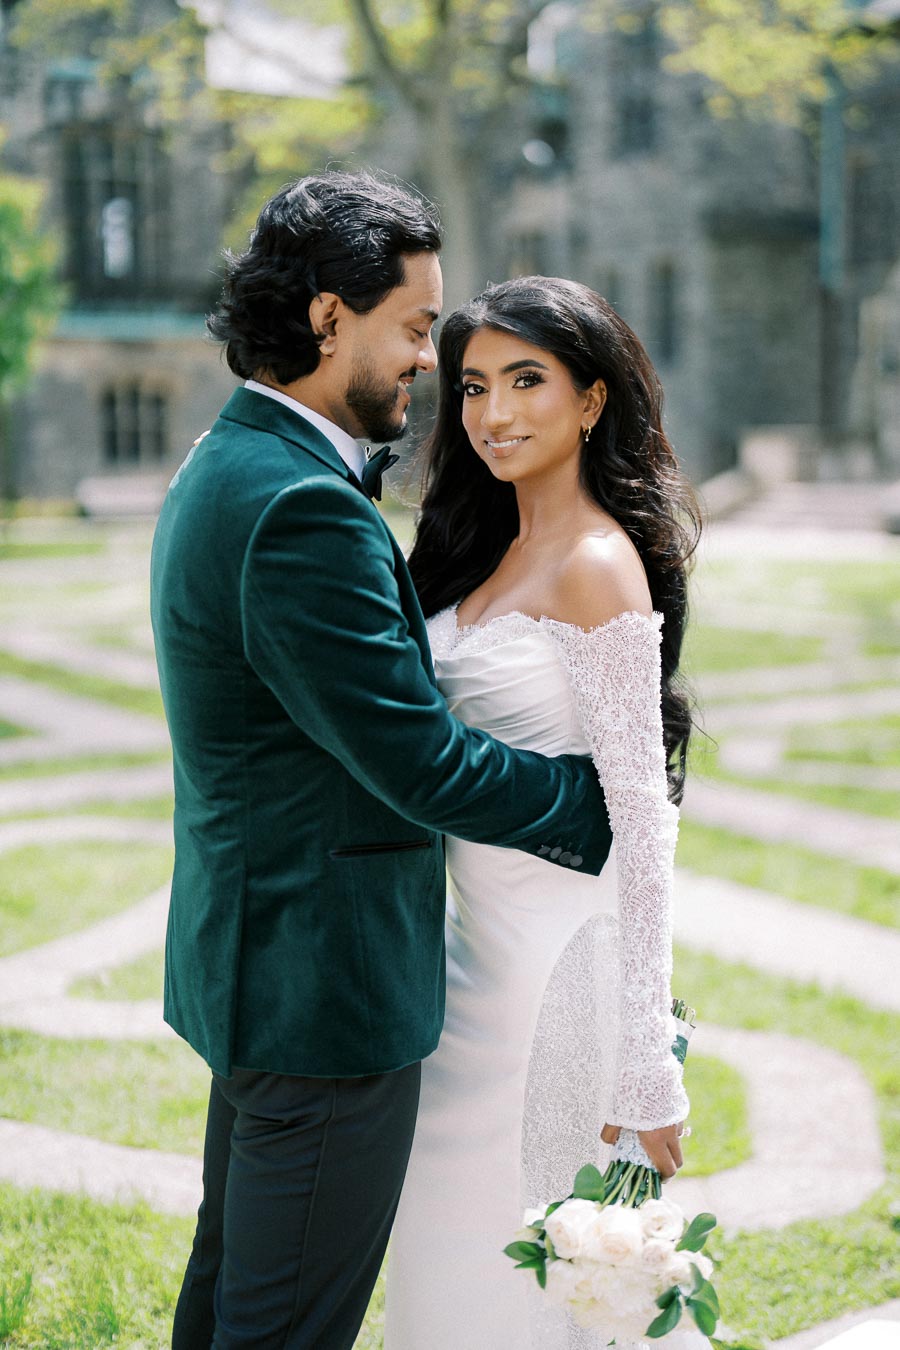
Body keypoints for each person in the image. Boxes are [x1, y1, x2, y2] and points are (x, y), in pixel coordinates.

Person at [150, 174, 617, 1350]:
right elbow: (417, 760)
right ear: (326, 318)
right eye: (416, 328)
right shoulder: (296, 502)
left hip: (264, 960)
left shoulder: (234, 458)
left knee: (235, 1294)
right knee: (284, 1324)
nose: (426, 359)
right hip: (324, 990)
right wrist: (590, 803)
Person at [384, 275, 701, 1349]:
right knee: (448, 1268)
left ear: (593, 400)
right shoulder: (478, 551)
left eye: (528, 381)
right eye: (473, 388)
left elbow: (643, 821)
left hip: (561, 982)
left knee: (548, 1285)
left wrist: (646, 1050)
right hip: (465, 972)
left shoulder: (598, 565)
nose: (496, 414)